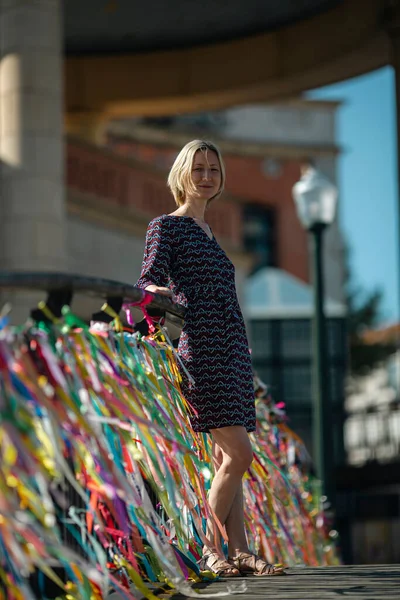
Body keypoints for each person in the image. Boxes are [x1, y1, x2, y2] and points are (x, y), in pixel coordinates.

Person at [136, 140, 285, 577]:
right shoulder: (166, 226)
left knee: (226, 461)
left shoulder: (210, 233)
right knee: (240, 455)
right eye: (198, 168)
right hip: (202, 351)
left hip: (234, 353)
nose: (206, 176)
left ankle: (240, 551)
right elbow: (147, 282)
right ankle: (207, 546)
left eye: (213, 170)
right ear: (182, 174)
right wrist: (159, 295)